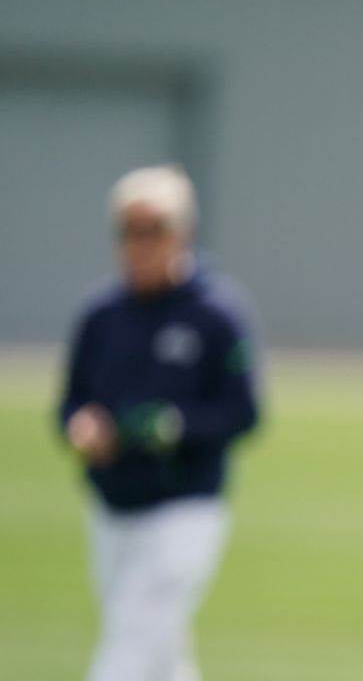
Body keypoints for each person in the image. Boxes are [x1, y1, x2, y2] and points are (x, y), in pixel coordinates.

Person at [57, 165, 260, 681]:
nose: (141, 243)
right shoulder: (100, 315)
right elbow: (71, 402)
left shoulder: (216, 312)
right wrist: (80, 428)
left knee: (127, 647)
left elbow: (244, 411)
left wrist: (173, 426)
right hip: (112, 505)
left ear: (182, 232)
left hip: (184, 507)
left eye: (154, 229)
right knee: (161, 654)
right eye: (130, 230)